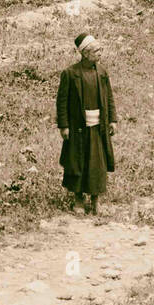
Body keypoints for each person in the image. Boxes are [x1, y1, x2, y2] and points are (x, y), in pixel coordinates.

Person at [55, 32, 117, 216]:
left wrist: (112, 120)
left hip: (98, 128)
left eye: (100, 50)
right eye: (96, 50)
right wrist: (64, 126)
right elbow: (62, 102)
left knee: (97, 164)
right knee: (77, 163)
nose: (100, 53)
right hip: (77, 129)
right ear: (85, 53)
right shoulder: (70, 73)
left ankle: (96, 200)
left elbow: (110, 98)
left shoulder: (102, 72)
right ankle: (79, 200)